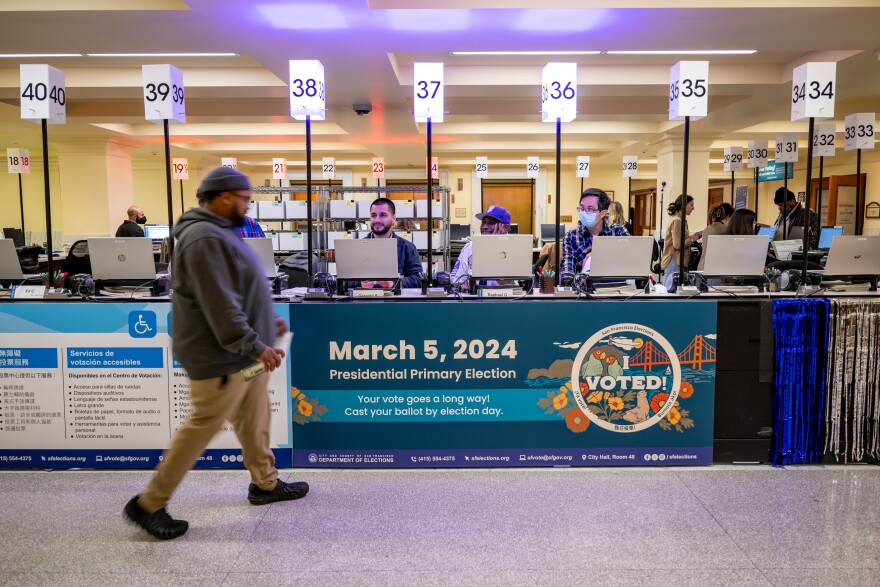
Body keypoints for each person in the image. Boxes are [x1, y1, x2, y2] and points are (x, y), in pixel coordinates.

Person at [124, 167, 308, 540]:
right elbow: (219, 305)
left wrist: (266, 321)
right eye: (245, 199)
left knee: (255, 416)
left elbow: (237, 289)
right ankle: (149, 503)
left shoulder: (218, 232)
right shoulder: (203, 238)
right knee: (202, 426)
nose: (248, 206)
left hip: (244, 356)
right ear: (225, 198)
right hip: (222, 358)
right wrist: (255, 344)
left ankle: (266, 484)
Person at [561, 188, 630, 277]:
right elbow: (567, 268)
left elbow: (630, 258)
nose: (583, 212)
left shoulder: (618, 231)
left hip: (616, 286)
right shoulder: (571, 236)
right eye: (582, 208)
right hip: (583, 287)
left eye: (590, 209)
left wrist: (599, 254)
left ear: (603, 213)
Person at [360, 197, 422, 289]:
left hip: (395, 302)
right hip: (364, 301)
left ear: (393, 219)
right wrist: (359, 283)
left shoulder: (407, 247)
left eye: (383, 215)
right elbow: (345, 279)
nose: (377, 220)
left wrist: (395, 284)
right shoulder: (358, 247)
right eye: (373, 215)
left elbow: (418, 279)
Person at [449, 205, 511, 290]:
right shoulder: (470, 246)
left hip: (503, 301)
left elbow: (510, 285)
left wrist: (494, 247)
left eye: (491, 223)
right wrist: (465, 285)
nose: (484, 227)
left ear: (505, 227)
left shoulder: (514, 248)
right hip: (473, 300)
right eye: (483, 222)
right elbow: (456, 279)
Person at [661, 194, 700, 289]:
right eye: (691, 205)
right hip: (674, 261)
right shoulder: (677, 221)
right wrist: (691, 239)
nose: (693, 208)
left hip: (677, 261)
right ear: (684, 205)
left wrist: (690, 237)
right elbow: (677, 244)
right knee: (669, 293)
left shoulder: (680, 220)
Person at [697, 202, 734, 271]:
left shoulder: (707, 228)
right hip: (713, 269)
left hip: (702, 267)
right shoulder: (724, 229)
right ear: (728, 216)